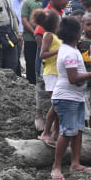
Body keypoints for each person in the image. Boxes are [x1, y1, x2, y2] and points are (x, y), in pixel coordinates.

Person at [50, 16, 91, 180]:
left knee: (78, 130)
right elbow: (74, 78)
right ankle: (56, 166)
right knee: (67, 132)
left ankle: (75, 163)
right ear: (77, 33)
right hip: (67, 97)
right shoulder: (70, 53)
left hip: (75, 97)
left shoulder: (69, 49)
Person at [35, 9, 62, 146]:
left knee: (59, 104)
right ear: (55, 23)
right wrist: (58, 51)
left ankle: (55, 133)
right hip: (51, 73)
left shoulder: (54, 36)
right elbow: (42, 54)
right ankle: (46, 132)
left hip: (57, 72)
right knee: (56, 104)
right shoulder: (49, 36)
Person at [21, 0, 45, 85]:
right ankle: (31, 86)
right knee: (31, 63)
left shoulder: (47, 1)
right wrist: (35, 33)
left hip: (46, 39)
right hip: (31, 39)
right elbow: (24, 20)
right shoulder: (27, 2)